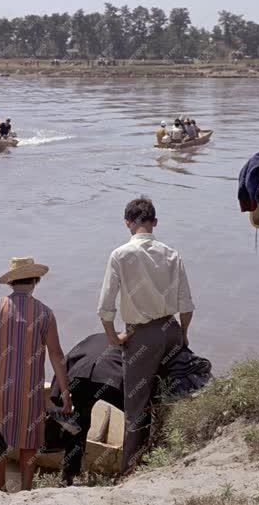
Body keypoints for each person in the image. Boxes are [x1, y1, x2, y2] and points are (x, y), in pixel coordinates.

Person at [98, 197, 195, 475]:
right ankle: (168, 456)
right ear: (155, 223)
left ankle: (130, 470)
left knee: (136, 405)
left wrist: (113, 337)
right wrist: (183, 335)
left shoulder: (121, 255)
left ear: (128, 223)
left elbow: (105, 307)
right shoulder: (172, 254)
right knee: (170, 396)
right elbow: (186, 306)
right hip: (171, 330)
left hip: (141, 335)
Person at [49, 333, 212, 486]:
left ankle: (69, 476)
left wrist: (62, 395)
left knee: (80, 423)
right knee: (139, 421)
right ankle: (132, 472)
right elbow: (148, 384)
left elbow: (63, 362)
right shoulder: (149, 349)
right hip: (111, 377)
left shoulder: (97, 338)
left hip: (80, 374)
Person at [0, 257, 72, 492]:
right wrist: (65, 391)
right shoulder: (45, 313)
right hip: (30, 389)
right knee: (29, 442)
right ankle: (26, 490)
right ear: (35, 280)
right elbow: (56, 355)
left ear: (11, 282)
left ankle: (0, 491)